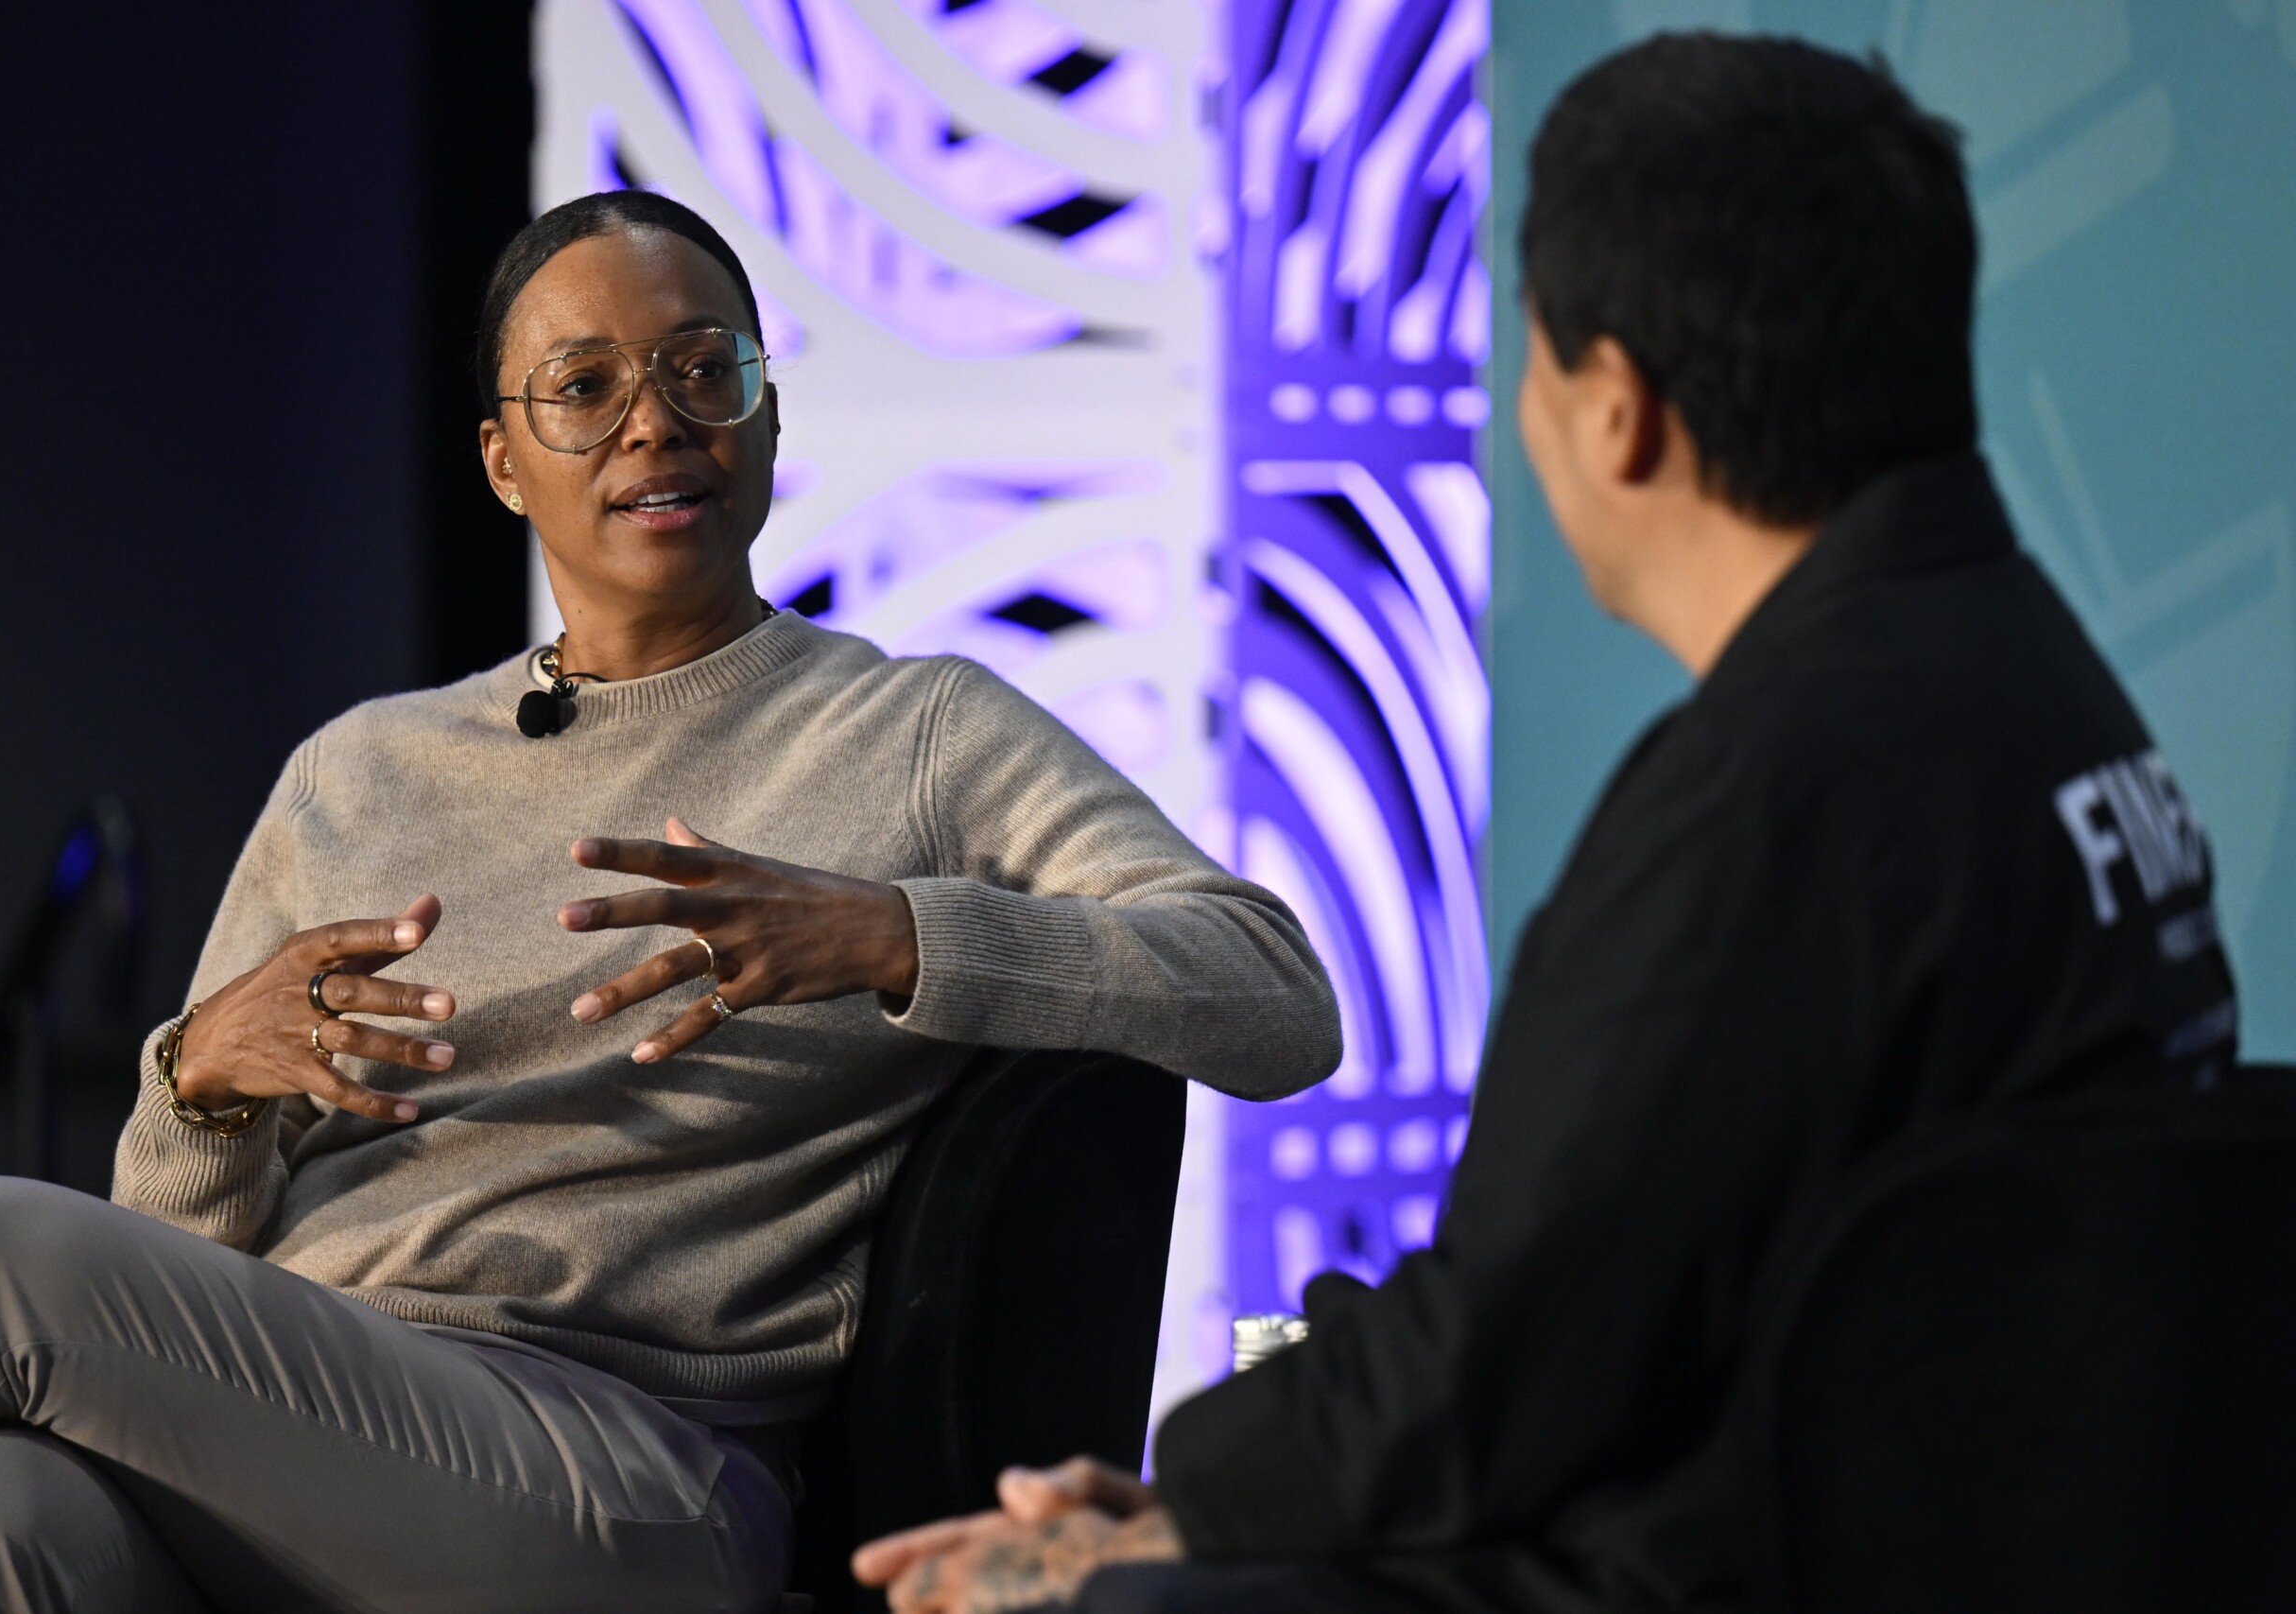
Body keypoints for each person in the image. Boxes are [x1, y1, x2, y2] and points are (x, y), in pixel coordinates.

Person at [855, 33, 2241, 1614]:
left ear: (1618, 412)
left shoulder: (1776, 796)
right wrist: (1238, 1496)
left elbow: (1503, 1357)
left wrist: (1183, 1517)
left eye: (1529, 356)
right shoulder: (2044, 691)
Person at [0, 190, 1341, 1613]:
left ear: (769, 413)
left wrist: (896, 934)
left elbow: (1274, 992)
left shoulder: (916, 733)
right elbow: (180, 1265)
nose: (657, 421)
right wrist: (201, 1088)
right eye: (584, 385)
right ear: (506, 463)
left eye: (707, 371)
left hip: (625, 1477)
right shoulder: (362, 770)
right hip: (313, 1428)